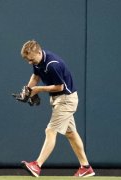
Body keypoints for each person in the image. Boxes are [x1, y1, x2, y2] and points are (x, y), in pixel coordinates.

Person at [19, 40, 95, 178]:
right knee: (71, 133)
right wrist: (28, 90)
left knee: (50, 130)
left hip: (66, 99)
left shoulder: (52, 64)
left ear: (38, 52)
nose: (30, 62)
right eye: (28, 60)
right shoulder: (38, 61)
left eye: (31, 59)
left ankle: (37, 165)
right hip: (59, 99)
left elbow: (60, 87)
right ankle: (86, 167)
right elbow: (35, 76)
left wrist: (38, 90)